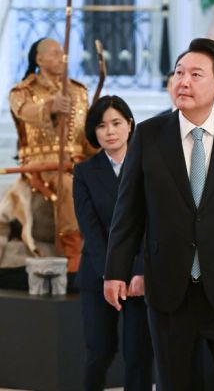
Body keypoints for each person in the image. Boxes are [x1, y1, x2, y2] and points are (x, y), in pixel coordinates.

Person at [104, 38, 214, 390]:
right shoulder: (150, 134)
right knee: (174, 382)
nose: (183, 81)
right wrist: (116, 271)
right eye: (178, 73)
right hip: (171, 285)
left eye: (195, 74)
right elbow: (128, 209)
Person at [73, 95, 153, 391]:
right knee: (99, 351)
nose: (110, 131)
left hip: (140, 277)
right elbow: (90, 230)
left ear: (130, 125)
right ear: (94, 132)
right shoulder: (84, 172)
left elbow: (153, 225)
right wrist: (112, 274)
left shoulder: (149, 165)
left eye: (116, 123)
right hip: (99, 274)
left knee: (139, 355)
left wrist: (140, 270)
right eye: (101, 125)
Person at [8, 37, 95, 273]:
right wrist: (50, 108)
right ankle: (73, 253)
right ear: (39, 58)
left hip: (78, 161)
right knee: (67, 186)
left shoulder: (79, 91)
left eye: (63, 53)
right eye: (55, 53)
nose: (61, 57)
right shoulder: (22, 92)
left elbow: (85, 139)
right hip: (42, 164)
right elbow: (25, 112)